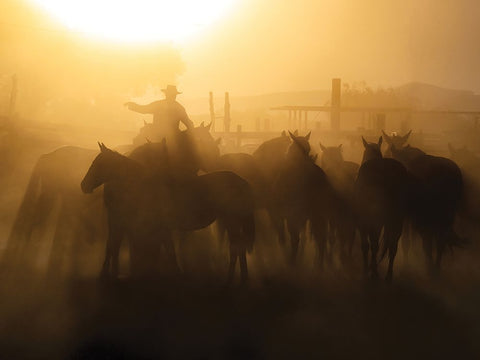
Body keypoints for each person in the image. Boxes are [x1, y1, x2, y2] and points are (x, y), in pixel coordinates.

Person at [125, 85, 194, 140]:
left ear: (166, 94)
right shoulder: (179, 108)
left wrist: (133, 106)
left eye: (172, 95)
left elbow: (144, 109)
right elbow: (189, 124)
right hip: (172, 139)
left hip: (157, 138)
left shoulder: (159, 105)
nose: (172, 96)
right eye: (172, 95)